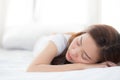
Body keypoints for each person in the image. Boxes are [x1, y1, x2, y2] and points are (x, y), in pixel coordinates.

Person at [27, 24, 120, 72]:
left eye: (84, 56)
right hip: (42, 41)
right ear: (82, 33)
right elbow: (33, 68)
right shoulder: (59, 41)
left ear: (97, 62)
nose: (74, 52)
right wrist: (82, 65)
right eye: (79, 42)